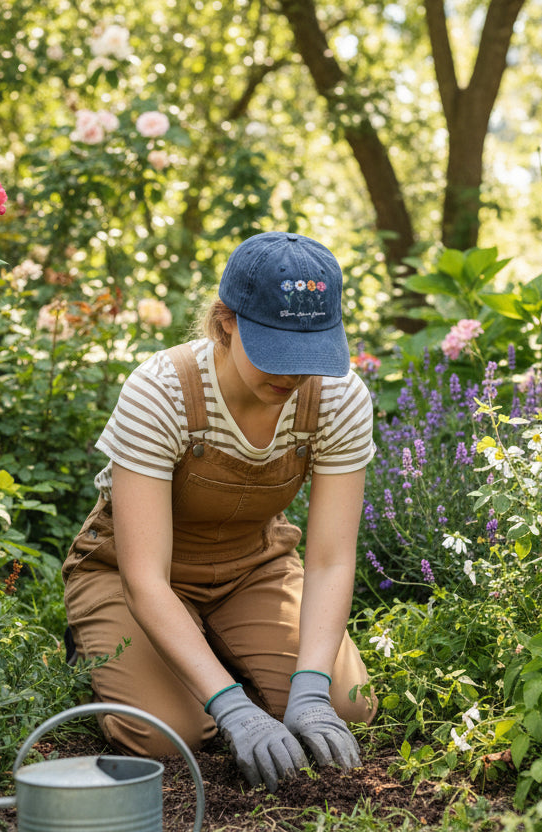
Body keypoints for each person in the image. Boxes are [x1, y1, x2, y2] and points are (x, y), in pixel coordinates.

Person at [61, 230, 378, 792]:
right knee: (169, 734)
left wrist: (308, 690)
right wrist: (233, 708)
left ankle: (224, 664)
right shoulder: (160, 391)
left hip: (253, 570)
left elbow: (330, 559)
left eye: (308, 353)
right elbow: (144, 577)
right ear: (225, 321)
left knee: (346, 704)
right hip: (130, 576)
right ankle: (130, 660)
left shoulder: (338, 397)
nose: (293, 374)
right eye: (277, 351)